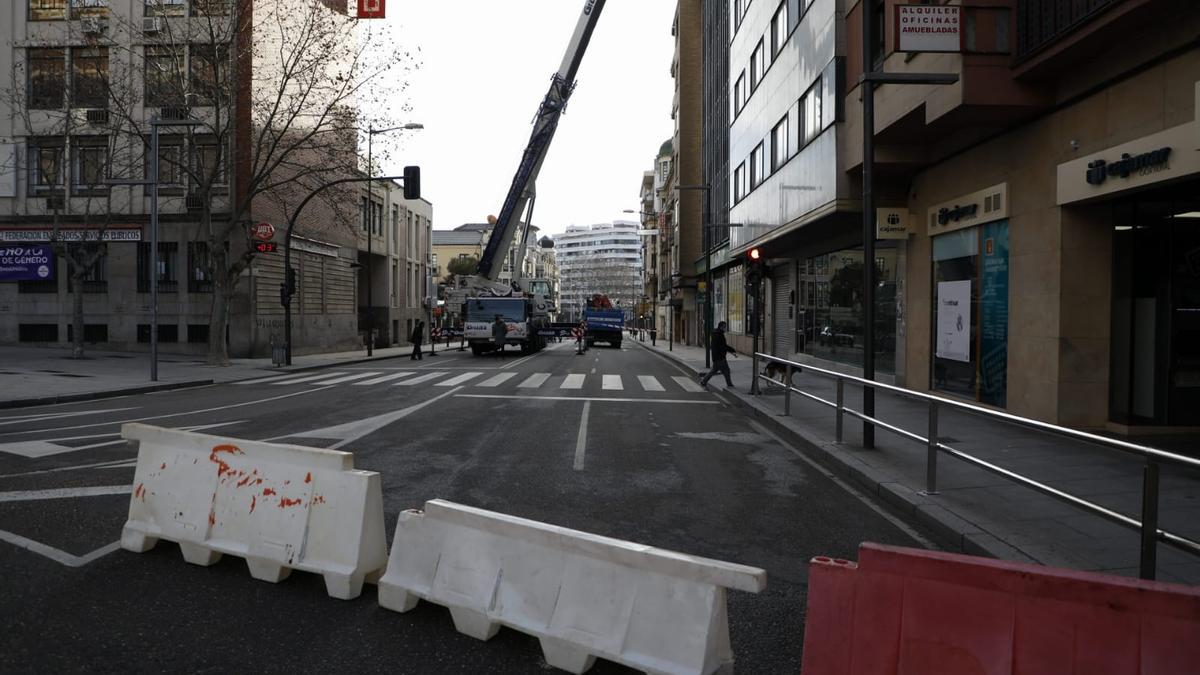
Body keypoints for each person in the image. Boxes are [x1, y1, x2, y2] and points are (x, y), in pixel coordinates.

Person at [700, 321, 736, 388]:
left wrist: (731, 351)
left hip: (716, 356)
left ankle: (704, 381)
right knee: (726, 370)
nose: (725, 328)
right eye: (725, 327)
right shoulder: (718, 335)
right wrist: (732, 350)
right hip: (720, 357)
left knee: (714, 370)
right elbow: (723, 346)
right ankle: (729, 384)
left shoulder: (716, 334)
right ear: (721, 327)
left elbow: (722, 346)